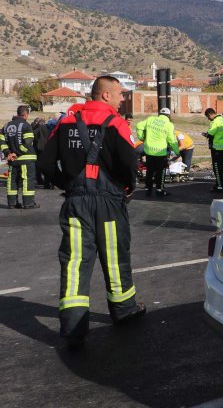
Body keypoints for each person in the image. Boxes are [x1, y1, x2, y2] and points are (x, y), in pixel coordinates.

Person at [38, 75, 145, 349]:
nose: (123, 99)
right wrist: (127, 188)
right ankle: (124, 311)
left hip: (76, 202)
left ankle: (73, 327)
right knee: (115, 257)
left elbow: (46, 162)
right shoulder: (117, 124)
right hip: (108, 202)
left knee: (74, 263)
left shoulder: (65, 121)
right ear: (106, 95)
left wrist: (66, 184)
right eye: (120, 94)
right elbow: (130, 162)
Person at [2, 105, 38, 209]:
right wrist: (16, 153)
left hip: (13, 160)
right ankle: (28, 203)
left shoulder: (6, 126)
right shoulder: (26, 125)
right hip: (26, 159)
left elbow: (2, 141)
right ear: (25, 115)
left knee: (12, 180)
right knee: (28, 180)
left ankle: (12, 203)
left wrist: (8, 153)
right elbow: (28, 142)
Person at [141, 108, 179, 197]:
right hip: (160, 152)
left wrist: (142, 137)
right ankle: (159, 189)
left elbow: (139, 126)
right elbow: (172, 140)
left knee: (149, 171)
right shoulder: (169, 125)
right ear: (168, 115)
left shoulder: (151, 119)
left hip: (149, 151)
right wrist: (177, 151)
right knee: (160, 171)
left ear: (159, 113)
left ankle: (148, 188)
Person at [203, 108, 223, 193]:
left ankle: (219, 186)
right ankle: (219, 184)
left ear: (210, 114)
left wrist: (206, 134)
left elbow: (211, 133)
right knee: (221, 167)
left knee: (217, 168)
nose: (208, 119)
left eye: (208, 117)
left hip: (216, 148)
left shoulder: (215, 122)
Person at [31, 117, 52, 189]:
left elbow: (33, 136)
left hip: (38, 149)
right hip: (46, 148)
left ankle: (40, 179)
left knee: (38, 166)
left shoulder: (37, 129)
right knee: (46, 166)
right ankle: (47, 182)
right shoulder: (48, 128)